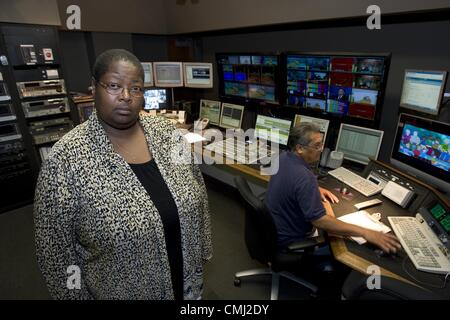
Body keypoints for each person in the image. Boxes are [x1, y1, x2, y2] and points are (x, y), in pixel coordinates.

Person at [34, 49, 212, 300]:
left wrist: (203, 249)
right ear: (94, 89)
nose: (126, 96)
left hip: (188, 284)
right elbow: (57, 257)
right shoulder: (64, 161)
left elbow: (199, 190)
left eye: (136, 88)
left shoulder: (167, 134)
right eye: (114, 86)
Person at [265, 123, 401, 253]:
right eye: (317, 145)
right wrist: (366, 232)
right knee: (341, 247)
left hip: (272, 231)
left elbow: (290, 183)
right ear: (300, 148)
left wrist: (315, 189)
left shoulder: (282, 158)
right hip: (289, 242)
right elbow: (320, 221)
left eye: (322, 144)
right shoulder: (305, 178)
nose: (321, 149)